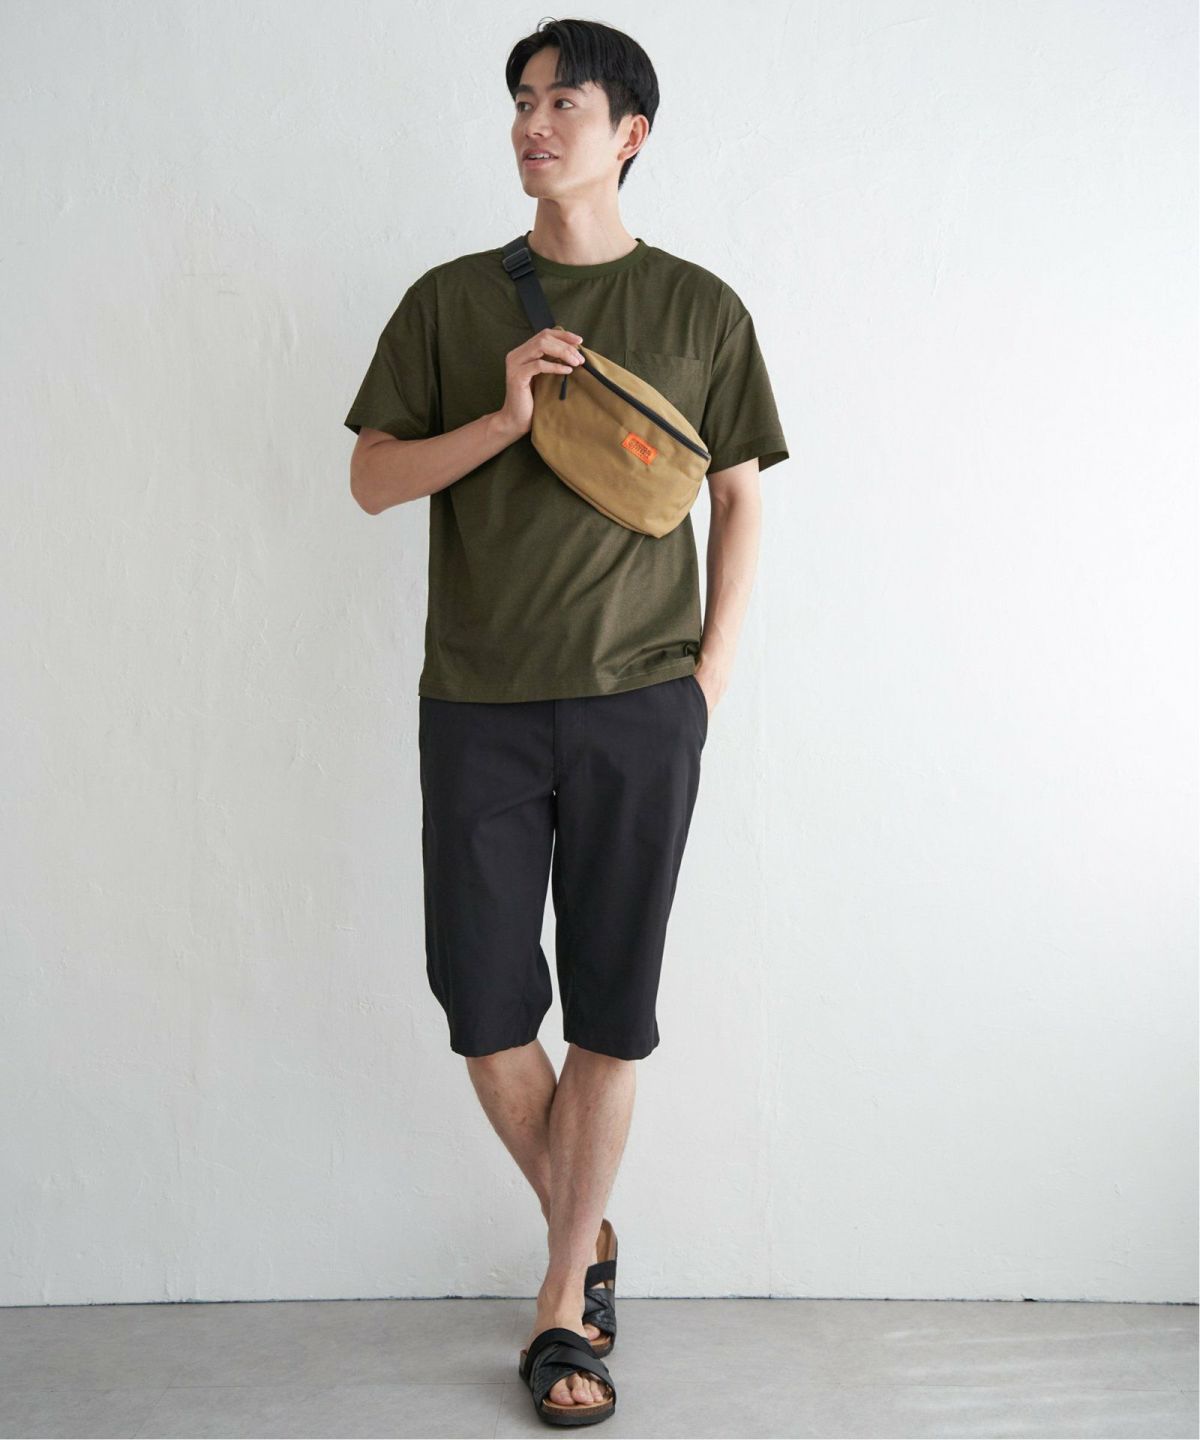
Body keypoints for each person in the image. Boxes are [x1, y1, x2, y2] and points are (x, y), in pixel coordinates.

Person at [343, 17, 789, 1426]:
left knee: (609, 1006)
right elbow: (370, 480)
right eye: (521, 101)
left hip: (640, 704)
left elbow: (741, 497)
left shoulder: (700, 309)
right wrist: (503, 415)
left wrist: (707, 682)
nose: (533, 124)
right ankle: (585, 1236)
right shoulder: (448, 302)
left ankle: (558, 1313)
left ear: (630, 134)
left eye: (565, 104)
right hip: (476, 701)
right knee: (483, 1009)